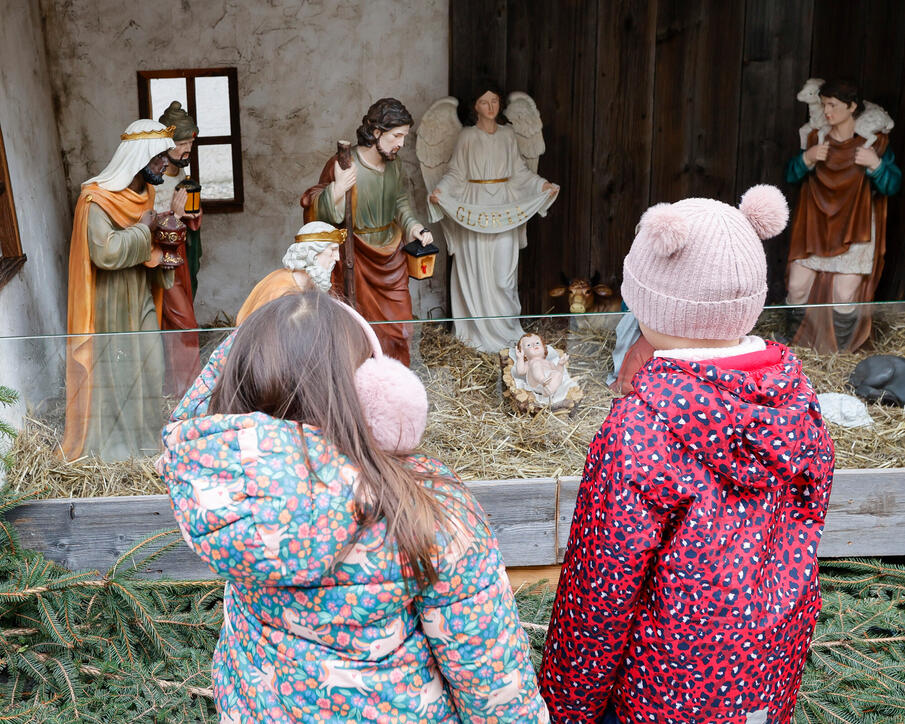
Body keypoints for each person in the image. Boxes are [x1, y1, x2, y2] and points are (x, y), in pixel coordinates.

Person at [159, 291, 548, 723]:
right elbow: (493, 684)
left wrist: (255, 343)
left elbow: (187, 426)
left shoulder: (226, 489)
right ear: (372, 390)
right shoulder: (428, 507)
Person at [539, 186, 835, 723]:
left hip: (657, 692)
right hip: (761, 677)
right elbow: (805, 528)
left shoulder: (641, 428)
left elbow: (600, 592)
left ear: (650, 302)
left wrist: (566, 707)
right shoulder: (796, 401)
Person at [62, 119, 176, 461]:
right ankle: (117, 453)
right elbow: (105, 252)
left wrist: (159, 258)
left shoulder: (147, 192)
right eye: (159, 158)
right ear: (138, 157)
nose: (165, 165)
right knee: (121, 372)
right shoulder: (96, 199)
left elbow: (145, 241)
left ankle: (144, 443)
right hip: (110, 299)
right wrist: (144, 231)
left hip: (139, 290)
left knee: (152, 366)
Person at [300, 98, 433, 366]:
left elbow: (400, 203)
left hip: (391, 255)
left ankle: (394, 380)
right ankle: (364, 381)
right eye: (396, 135)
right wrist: (337, 190)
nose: (401, 143)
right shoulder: (344, 163)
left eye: (404, 136)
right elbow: (316, 213)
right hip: (356, 256)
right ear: (376, 133)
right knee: (358, 326)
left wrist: (414, 227)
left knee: (400, 326)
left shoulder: (394, 165)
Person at [429, 83, 558, 352]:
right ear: (475, 106)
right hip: (473, 207)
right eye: (485, 102)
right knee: (475, 269)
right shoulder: (466, 137)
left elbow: (519, 172)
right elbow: (456, 173)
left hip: (504, 208)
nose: (491, 107)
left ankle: (507, 331)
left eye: (495, 101)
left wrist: (541, 185)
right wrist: (441, 191)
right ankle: (475, 334)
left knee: (503, 276)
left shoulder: (508, 135)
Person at [786, 78, 901, 352]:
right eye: (824, 104)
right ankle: (794, 345)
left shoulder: (874, 145)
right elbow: (791, 175)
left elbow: (893, 185)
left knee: (844, 295)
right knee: (797, 286)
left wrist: (876, 166)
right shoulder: (815, 139)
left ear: (851, 107)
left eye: (833, 105)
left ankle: (840, 354)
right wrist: (807, 159)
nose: (827, 111)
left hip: (854, 227)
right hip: (816, 226)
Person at [154, 101, 203, 396]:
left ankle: (180, 387)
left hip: (181, 255)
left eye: (190, 144)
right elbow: (143, 220)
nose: (187, 150)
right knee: (185, 323)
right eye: (182, 144)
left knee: (179, 321)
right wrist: (173, 214)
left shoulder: (181, 176)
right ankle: (186, 389)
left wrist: (194, 215)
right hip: (161, 259)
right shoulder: (152, 176)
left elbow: (187, 218)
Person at [235, 221, 345, 324]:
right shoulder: (281, 290)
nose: (337, 257)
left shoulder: (304, 284)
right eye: (333, 250)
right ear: (312, 253)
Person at [515, 333, 568, 397]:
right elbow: (520, 371)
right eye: (529, 345)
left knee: (558, 374)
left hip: (547, 385)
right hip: (536, 382)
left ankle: (549, 390)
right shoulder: (530, 362)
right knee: (536, 363)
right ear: (524, 354)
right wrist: (520, 358)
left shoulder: (549, 363)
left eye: (537, 343)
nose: (534, 345)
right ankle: (542, 379)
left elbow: (559, 373)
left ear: (543, 348)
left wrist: (560, 365)